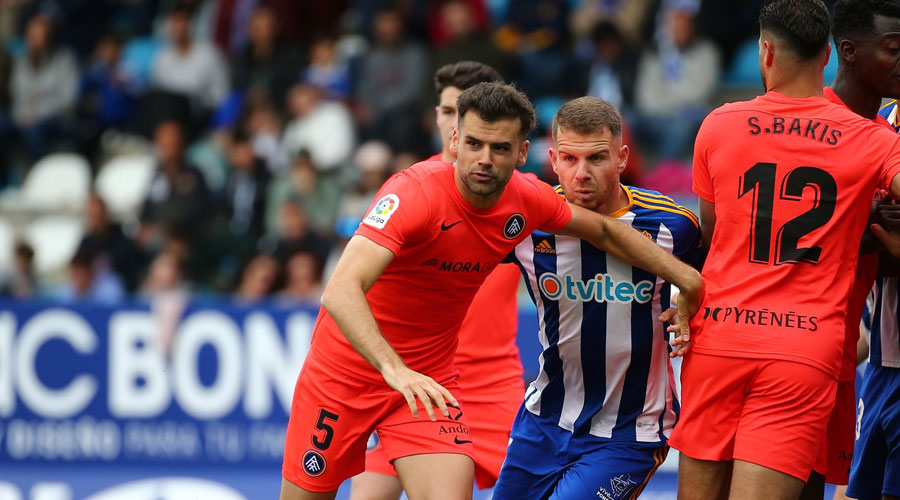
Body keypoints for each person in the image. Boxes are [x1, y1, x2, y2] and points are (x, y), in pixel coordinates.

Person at [279, 82, 703, 500]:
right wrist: (394, 369)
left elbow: (609, 232)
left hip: (429, 384)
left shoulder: (530, 204)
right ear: (454, 141)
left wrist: (688, 281)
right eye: (474, 144)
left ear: (521, 154)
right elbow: (339, 291)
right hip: (345, 377)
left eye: (499, 148)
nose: (484, 160)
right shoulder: (412, 194)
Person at [669, 2, 900, 499]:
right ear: (828, 57)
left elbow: (715, 234)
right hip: (804, 346)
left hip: (721, 335)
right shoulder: (871, 139)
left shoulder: (719, 124)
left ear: (765, 51)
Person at [493, 96, 701, 499]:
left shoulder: (674, 225)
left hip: (629, 432)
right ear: (552, 160)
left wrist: (691, 306)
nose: (582, 173)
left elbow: (716, 279)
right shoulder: (526, 223)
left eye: (597, 158)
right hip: (543, 420)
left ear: (623, 158)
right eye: (569, 159)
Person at [349, 61, 519, 500]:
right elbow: (356, 285)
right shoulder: (407, 190)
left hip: (492, 385)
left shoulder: (523, 197)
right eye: (447, 110)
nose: (452, 121)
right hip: (417, 386)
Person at [801, 1, 900, 498]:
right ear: (848, 51)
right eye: (894, 49)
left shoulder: (885, 137)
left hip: (850, 358)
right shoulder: (804, 123)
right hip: (800, 349)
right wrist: (866, 229)